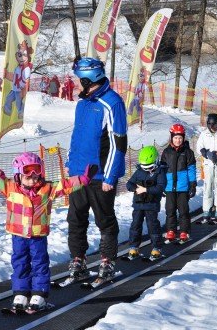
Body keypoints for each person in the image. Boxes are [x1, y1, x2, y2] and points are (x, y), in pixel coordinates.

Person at [0, 146, 97, 311]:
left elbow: (65, 186)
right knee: (20, 263)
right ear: (18, 175)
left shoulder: (46, 189)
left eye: (36, 177)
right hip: (18, 235)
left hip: (38, 236)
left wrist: (84, 179)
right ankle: (21, 293)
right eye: (27, 177)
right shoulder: (10, 187)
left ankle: (39, 293)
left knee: (40, 264)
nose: (32, 180)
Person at [66, 56, 127, 283]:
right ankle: (78, 259)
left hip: (101, 175)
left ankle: (107, 261)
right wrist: (71, 167)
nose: (75, 83)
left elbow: (118, 143)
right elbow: (77, 137)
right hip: (78, 175)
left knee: (105, 220)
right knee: (76, 219)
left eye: (78, 78)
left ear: (88, 77)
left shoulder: (112, 103)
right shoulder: (83, 104)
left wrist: (110, 175)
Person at [126, 145, 167, 260]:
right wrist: (135, 188)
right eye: (144, 167)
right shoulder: (139, 172)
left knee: (152, 225)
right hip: (138, 204)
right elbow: (129, 184)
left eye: (149, 167)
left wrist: (146, 189)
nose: (147, 169)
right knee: (135, 225)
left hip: (151, 204)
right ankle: (134, 246)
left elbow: (160, 187)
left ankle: (156, 247)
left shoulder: (160, 172)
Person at [160, 123, 197, 243]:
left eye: (180, 138)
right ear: (171, 137)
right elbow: (162, 169)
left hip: (183, 187)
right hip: (169, 186)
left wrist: (193, 184)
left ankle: (184, 231)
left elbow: (191, 169)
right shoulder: (166, 152)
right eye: (175, 138)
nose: (178, 140)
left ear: (183, 138)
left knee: (183, 211)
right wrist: (161, 184)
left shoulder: (188, 152)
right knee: (170, 210)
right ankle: (171, 230)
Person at [197, 113, 217, 224]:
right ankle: (206, 211)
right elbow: (199, 147)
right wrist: (206, 153)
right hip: (208, 164)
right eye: (210, 124)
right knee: (207, 187)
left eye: (214, 125)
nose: (212, 127)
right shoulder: (204, 134)